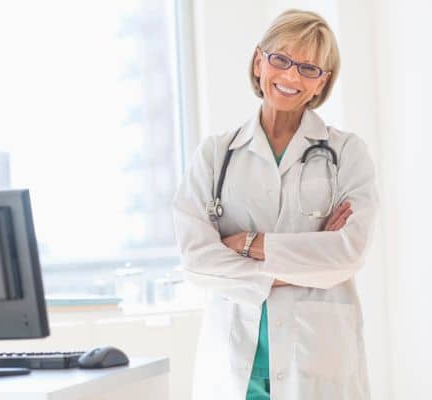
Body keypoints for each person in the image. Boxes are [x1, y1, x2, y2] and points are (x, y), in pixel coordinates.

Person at [172, 9, 378, 400]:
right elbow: (196, 260)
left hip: (316, 359)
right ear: (258, 61)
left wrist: (247, 244)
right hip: (235, 360)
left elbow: (346, 255)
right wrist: (308, 263)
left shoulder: (348, 153)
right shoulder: (215, 154)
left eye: (308, 68)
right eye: (280, 59)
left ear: (322, 83)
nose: (290, 76)